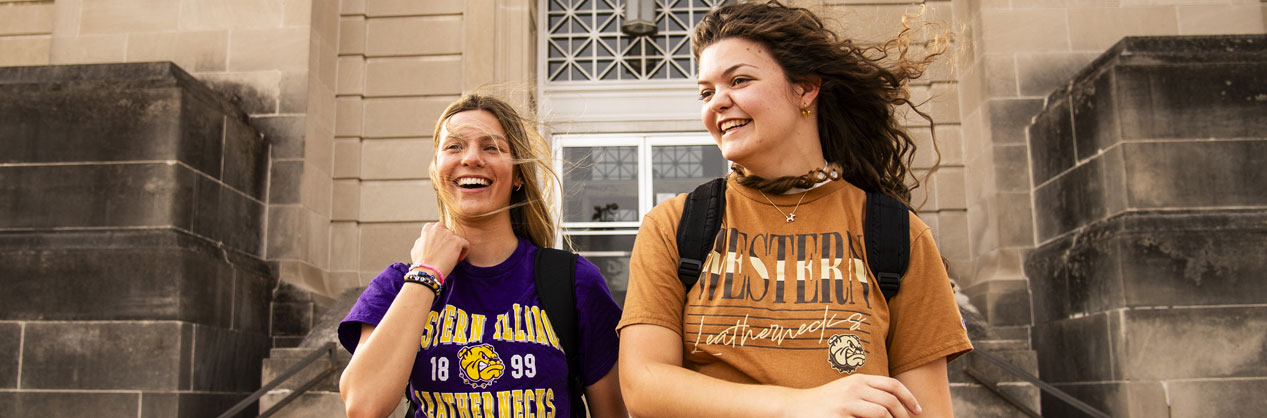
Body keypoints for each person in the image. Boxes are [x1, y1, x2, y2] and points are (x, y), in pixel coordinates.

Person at [617, 2, 972, 418]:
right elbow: (642, 383)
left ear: (805, 88)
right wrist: (800, 405)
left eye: (740, 80)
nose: (717, 103)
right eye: (706, 92)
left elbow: (927, 410)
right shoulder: (676, 224)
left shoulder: (895, 232)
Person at [338, 93, 627, 418]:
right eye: (454, 146)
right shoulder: (397, 285)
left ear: (518, 175)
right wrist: (426, 275)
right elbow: (362, 405)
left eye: (492, 147)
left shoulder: (575, 282)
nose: (471, 158)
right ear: (436, 171)